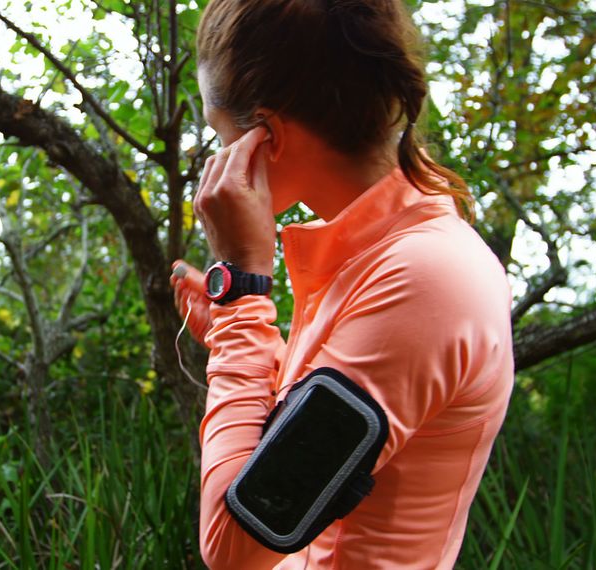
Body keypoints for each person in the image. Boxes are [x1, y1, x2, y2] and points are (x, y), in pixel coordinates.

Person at [168, 1, 515, 568]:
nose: (213, 157)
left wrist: (242, 300)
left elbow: (235, 544)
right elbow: (323, 424)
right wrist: (254, 339)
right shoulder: (379, 257)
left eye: (217, 131)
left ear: (269, 137)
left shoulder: (425, 280)